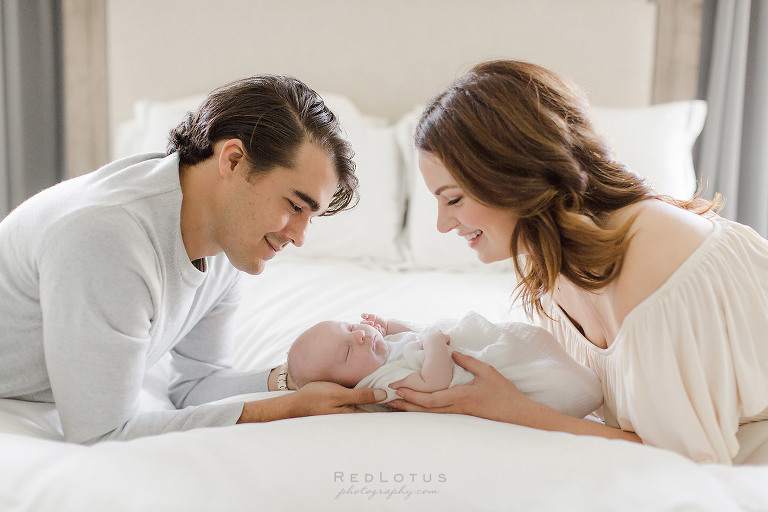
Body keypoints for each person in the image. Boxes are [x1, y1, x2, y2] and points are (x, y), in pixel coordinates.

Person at [389, 59, 768, 465]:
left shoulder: (655, 254)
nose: (443, 224)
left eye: (453, 199)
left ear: (513, 174)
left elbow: (684, 463)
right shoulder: (550, 259)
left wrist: (513, 410)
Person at [0, 75, 387, 444]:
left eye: (310, 218)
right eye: (294, 206)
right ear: (233, 160)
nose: (299, 238)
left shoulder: (225, 243)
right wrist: (286, 409)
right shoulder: (109, 237)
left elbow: (195, 385)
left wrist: (295, 382)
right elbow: (102, 434)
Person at [283, 311, 603, 418]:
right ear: (346, 386)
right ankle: (571, 385)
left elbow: (410, 336)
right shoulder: (381, 382)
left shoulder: (380, 351)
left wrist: (389, 325)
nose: (361, 336)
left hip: (470, 344)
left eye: (352, 328)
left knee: (528, 338)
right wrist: (435, 343)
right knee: (550, 378)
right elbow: (433, 383)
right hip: (479, 370)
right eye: (347, 351)